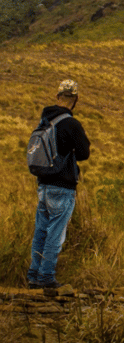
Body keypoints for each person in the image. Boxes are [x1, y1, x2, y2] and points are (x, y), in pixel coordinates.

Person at [26, 79, 91, 289]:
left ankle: (33, 274)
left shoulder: (44, 120)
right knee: (56, 233)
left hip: (43, 185)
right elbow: (84, 154)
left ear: (57, 97)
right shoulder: (71, 124)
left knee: (41, 231)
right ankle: (46, 277)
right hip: (62, 187)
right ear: (76, 100)